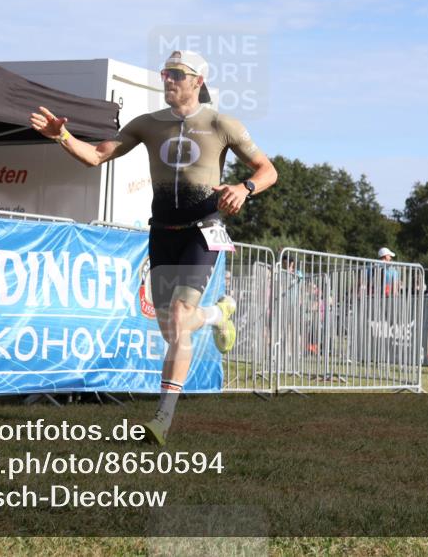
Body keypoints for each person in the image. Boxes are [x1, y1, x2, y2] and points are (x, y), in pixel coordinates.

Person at [30, 49, 277, 445]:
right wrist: (61, 135)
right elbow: (95, 156)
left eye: (177, 74)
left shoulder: (221, 123)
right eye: (165, 72)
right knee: (171, 326)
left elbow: (268, 171)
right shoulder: (146, 124)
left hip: (203, 229)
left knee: (179, 317)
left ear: (198, 81)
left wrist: (244, 188)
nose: (168, 79)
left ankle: (162, 419)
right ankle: (217, 314)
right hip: (163, 230)